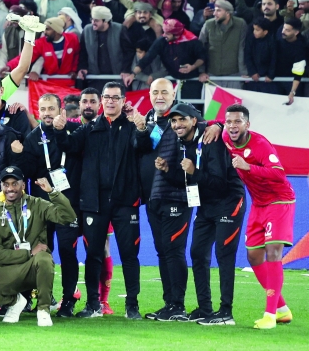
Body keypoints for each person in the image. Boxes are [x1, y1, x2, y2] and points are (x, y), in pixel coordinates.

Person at [55, 81, 149, 319]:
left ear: (123, 101)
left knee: (129, 254)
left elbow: (146, 145)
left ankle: (132, 305)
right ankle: (93, 304)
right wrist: (58, 129)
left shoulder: (131, 126)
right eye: (107, 97)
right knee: (93, 254)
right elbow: (69, 145)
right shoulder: (90, 128)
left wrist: (141, 128)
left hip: (126, 201)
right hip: (94, 203)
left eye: (115, 97)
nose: (110, 101)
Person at [162, 103, 245, 325]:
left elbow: (219, 183)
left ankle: (226, 312)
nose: (177, 124)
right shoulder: (185, 143)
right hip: (206, 205)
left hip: (229, 202)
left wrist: (194, 171)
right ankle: (205, 309)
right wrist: (168, 171)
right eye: (174, 121)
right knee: (198, 252)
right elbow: (189, 180)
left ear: (193, 121)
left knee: (224, 254)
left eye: (182, 120)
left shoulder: (211, 140)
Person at [220, 104, 296, 329]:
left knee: (273, 252)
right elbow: (212, 126)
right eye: (229, 122)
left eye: (238, 122)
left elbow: (279, 175)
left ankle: (270, 315)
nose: (233, 126)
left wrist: (248, 167)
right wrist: (215, 127)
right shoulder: (225, 135)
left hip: (280, 201)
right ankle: (282, 310)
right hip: (259, 204)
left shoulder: (260, 145)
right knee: (254, 256)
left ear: (247, 124)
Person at [0, 166, 77, 327]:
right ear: (1, 186)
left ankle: (43, 309)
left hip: (34, 267)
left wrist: (52, 192)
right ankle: (15, 301)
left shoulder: (37, 204)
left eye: (14, 183)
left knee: (43, 257)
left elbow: (68, 217)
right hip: (9, 270)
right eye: (6, 184)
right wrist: (28, 252)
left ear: (23, 185)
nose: (10, 188)